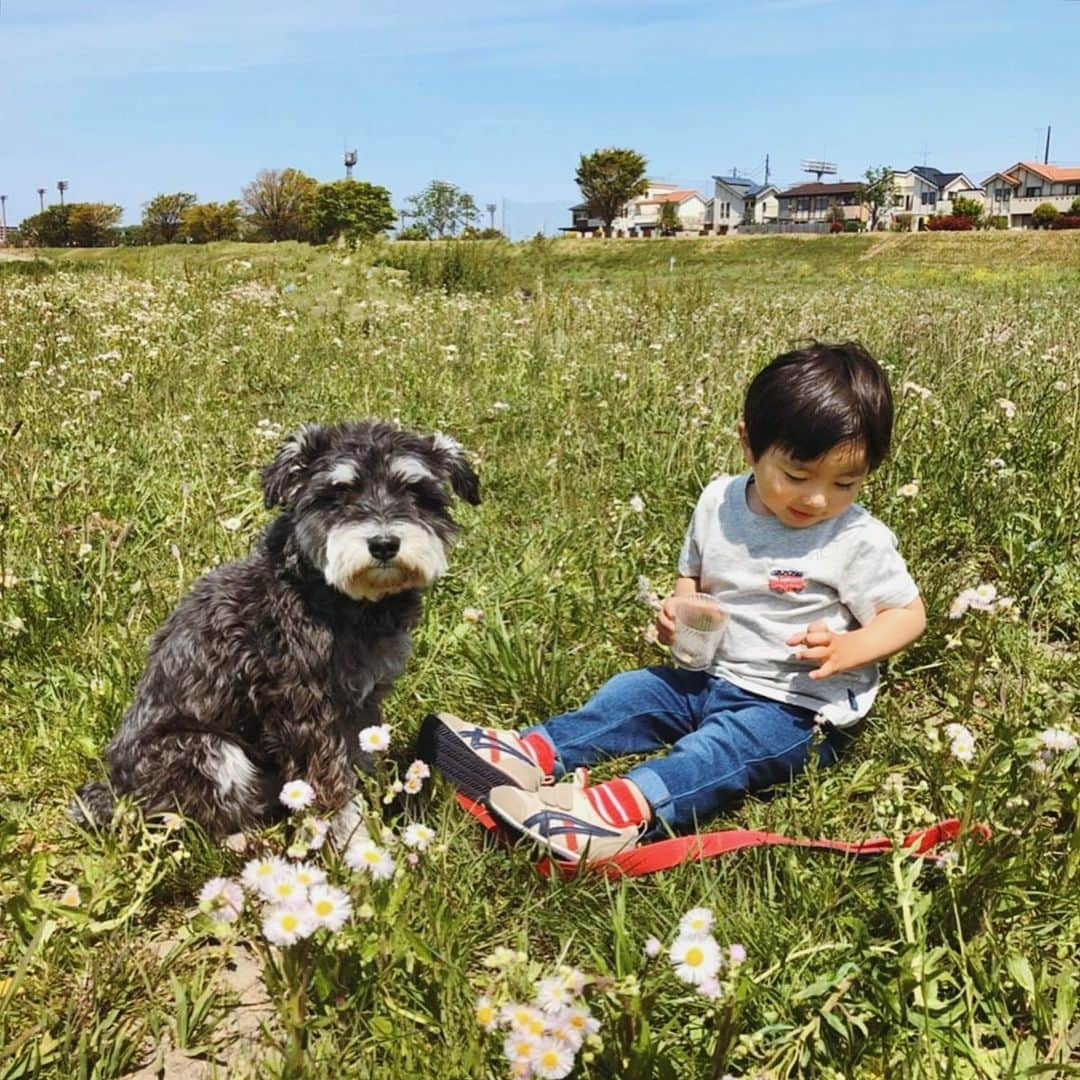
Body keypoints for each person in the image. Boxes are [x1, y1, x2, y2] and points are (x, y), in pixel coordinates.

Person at [420, 342, 926, 864]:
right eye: (797, 476)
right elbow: (694, 577)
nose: (818, 498)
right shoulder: (718, 503)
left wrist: (851, 647)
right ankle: (530, 753)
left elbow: (908, 614)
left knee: (721, 749)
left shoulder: (856, 540)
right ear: (750, 446)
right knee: (633, 693)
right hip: (709, 676)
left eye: (846, 481)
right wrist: (681, 612)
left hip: (795, 708)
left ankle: (616, 812)